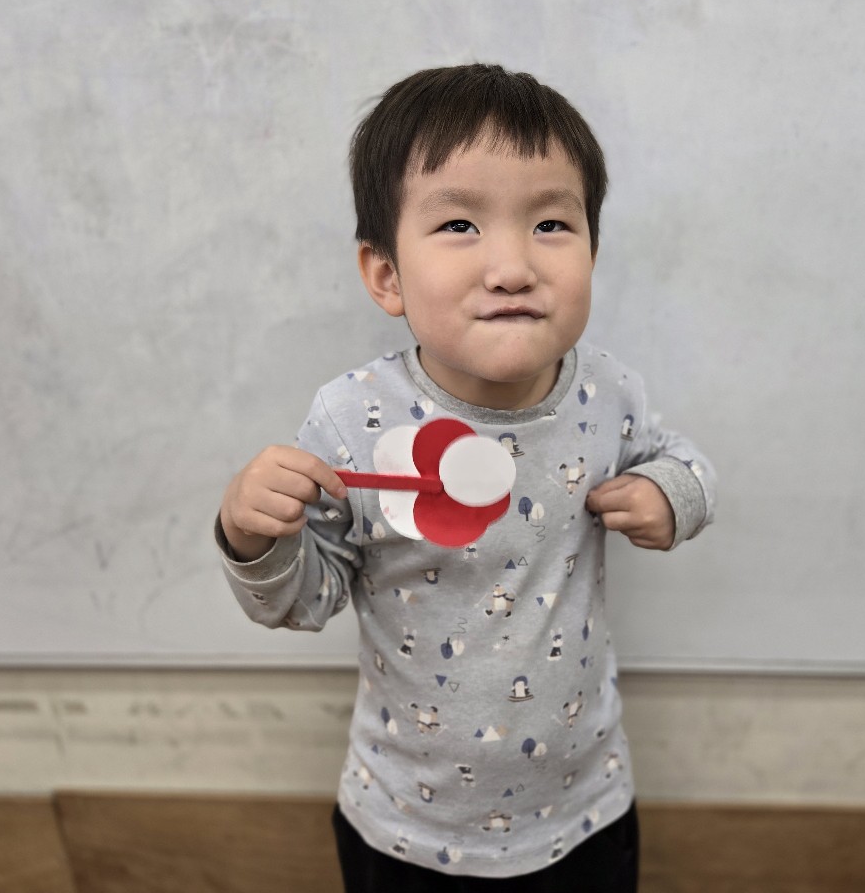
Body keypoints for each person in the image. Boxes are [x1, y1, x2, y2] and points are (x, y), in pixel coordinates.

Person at [216, 64, 716, 891]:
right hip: (406, 829)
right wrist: (250, 535)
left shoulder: (607, 394)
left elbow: (684, 460)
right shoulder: (353, 419)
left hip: (583, 810)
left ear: (593, 250)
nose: (512, 265)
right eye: (458, 224)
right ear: (386, 274)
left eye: (551, 224)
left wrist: (672, 494)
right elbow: (299, 601)